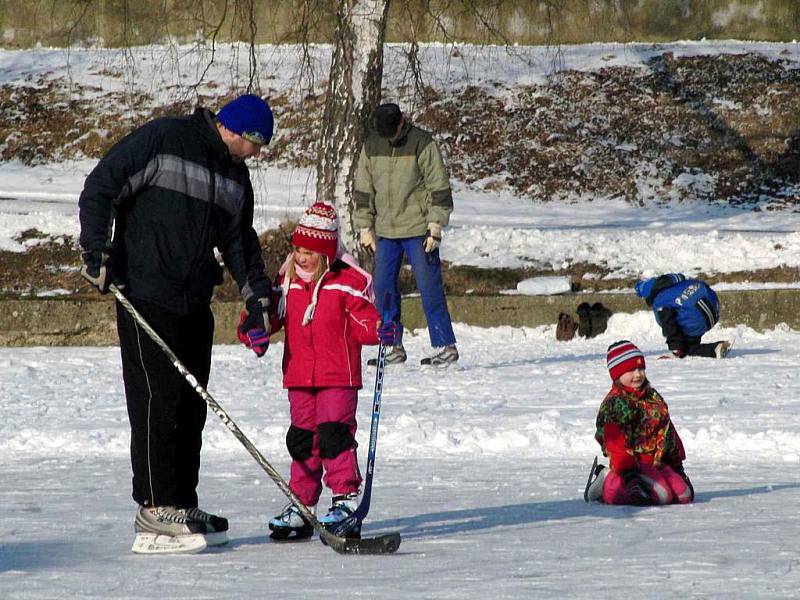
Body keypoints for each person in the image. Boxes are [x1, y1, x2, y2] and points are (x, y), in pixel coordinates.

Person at [78, 94, 275, 552]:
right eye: (255, 143)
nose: (257, 154)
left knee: (191, 406)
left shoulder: (234, 177)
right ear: (233, 128)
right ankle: (153, 509)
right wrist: (95, 248)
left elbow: (239, 243)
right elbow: (102, 185)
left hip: (193, 302)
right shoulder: (166, 139)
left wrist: (256, 294)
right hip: (146, 292)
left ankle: (180, 504)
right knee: (157, 402)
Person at [262, 202, 397, 541]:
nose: (301, 257)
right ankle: (301, 504)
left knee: (334, 434)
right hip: (299, 376)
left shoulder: (346, 281)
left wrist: (380, 328)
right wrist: (256, 328)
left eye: (309, 251)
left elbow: (364, 319)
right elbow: (271, 317)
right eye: (297, 249)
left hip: (339, 376)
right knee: (302, 440)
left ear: (325, 251)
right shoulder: (286, 281)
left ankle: (345, 498)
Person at [353, 102, 458, 366]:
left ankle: (446, 345)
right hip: (386, 232)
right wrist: (365, 226)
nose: (388, 138)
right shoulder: (372, 145)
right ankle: (393, 346)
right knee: (383, 287)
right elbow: (364, 190)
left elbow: (439, 186)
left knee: (428, 285)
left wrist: (436, 226)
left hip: (419, 230)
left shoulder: (422, 143)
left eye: (392, 132)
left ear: (401, 122)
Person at [585, 340, 694, 506]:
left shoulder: (653, 398)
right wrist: (628, 473)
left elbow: (667, 430)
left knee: (684, 494)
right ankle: (607, 482)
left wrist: (677, 465)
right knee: (661, 495)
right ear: (616, 374)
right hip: (632, 465)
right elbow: (616, 444)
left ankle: (650, 481)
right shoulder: (616, 403)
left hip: (657, 463)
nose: (638, 374)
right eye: (630, 370)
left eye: (641, 368)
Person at [635, 273, 731, 358]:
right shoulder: (674, 282)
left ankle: (709, 349)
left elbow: (668, 323)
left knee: (687, 349)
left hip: (698, 318)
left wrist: (676, 348)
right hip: (713, 307)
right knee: (689, 340)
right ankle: (715, 349)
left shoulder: (659, 300)